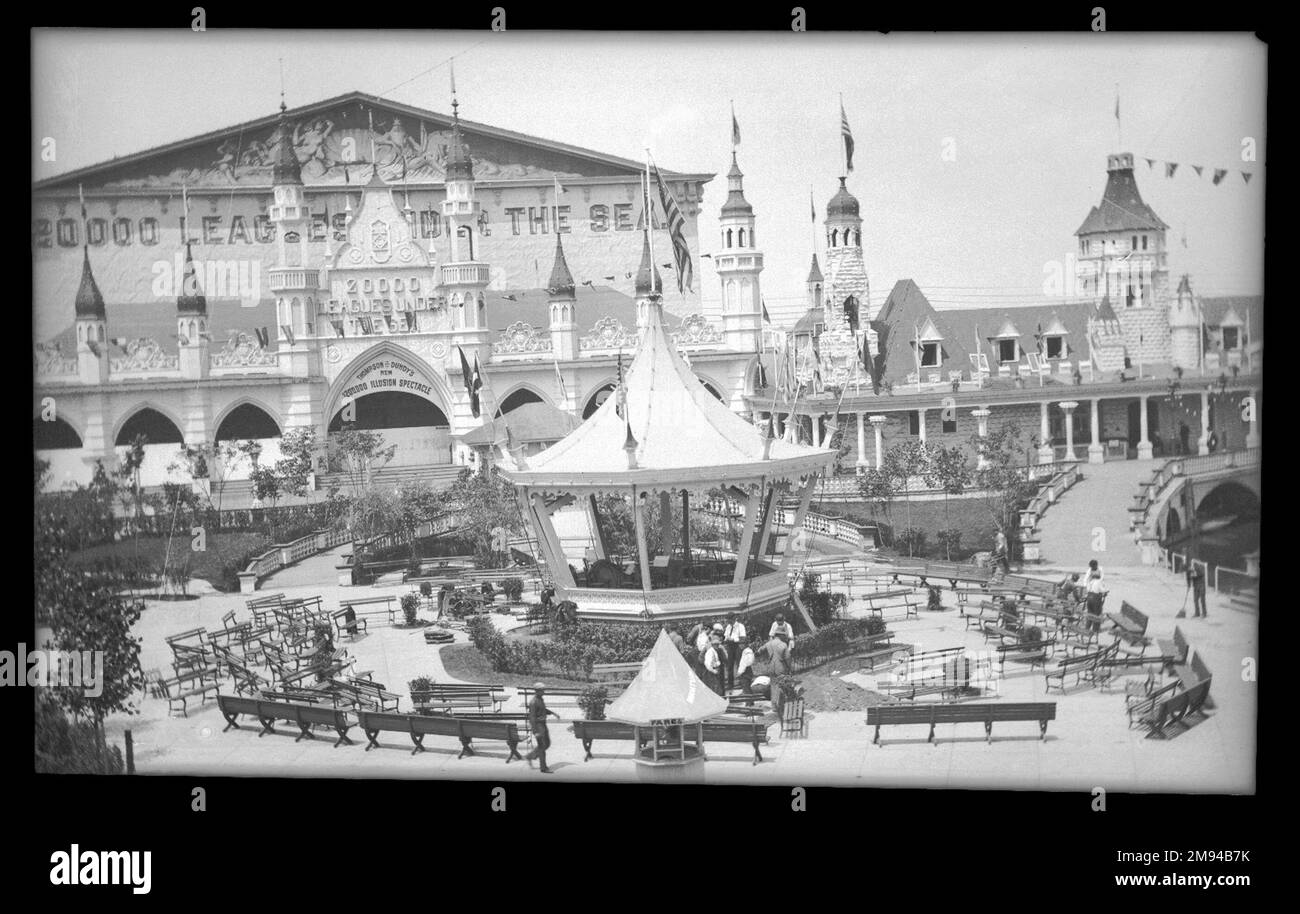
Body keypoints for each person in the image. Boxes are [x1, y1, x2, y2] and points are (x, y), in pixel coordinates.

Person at [523, 682, 561, 773]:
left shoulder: (540, 699)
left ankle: (530, 756)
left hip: (543, 724)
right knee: (542, 746)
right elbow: (531, 717)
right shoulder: (533, 702)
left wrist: (553, 713)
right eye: (542, 690)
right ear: (537, 691)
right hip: (538, 726)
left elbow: (543, 709)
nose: (544, 692)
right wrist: (535, 731)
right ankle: (543, 768)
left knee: (547, 743)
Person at [766, 633, 792, 719]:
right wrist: (789, 667)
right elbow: (788, 657)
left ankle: (774, 706)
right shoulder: (783, 644)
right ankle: (781, 707)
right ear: (781, 636)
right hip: (780, 668)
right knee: (782, 686)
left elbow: (760, 650)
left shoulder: (769, 643)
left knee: (773, 686)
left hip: (771, 668)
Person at [724, 613, 747, 683]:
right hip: (730, 647)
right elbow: (726, 636)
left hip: (737, 646)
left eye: (729, 620)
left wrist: (734, 640)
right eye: (728, 620)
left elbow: (743, 638)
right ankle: (730, 683)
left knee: (739, 664)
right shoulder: (728, 627)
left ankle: (741, 681)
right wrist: (726, 639)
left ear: (733, 619)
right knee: (730, 665)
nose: (728, 621)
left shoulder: (740, 626)